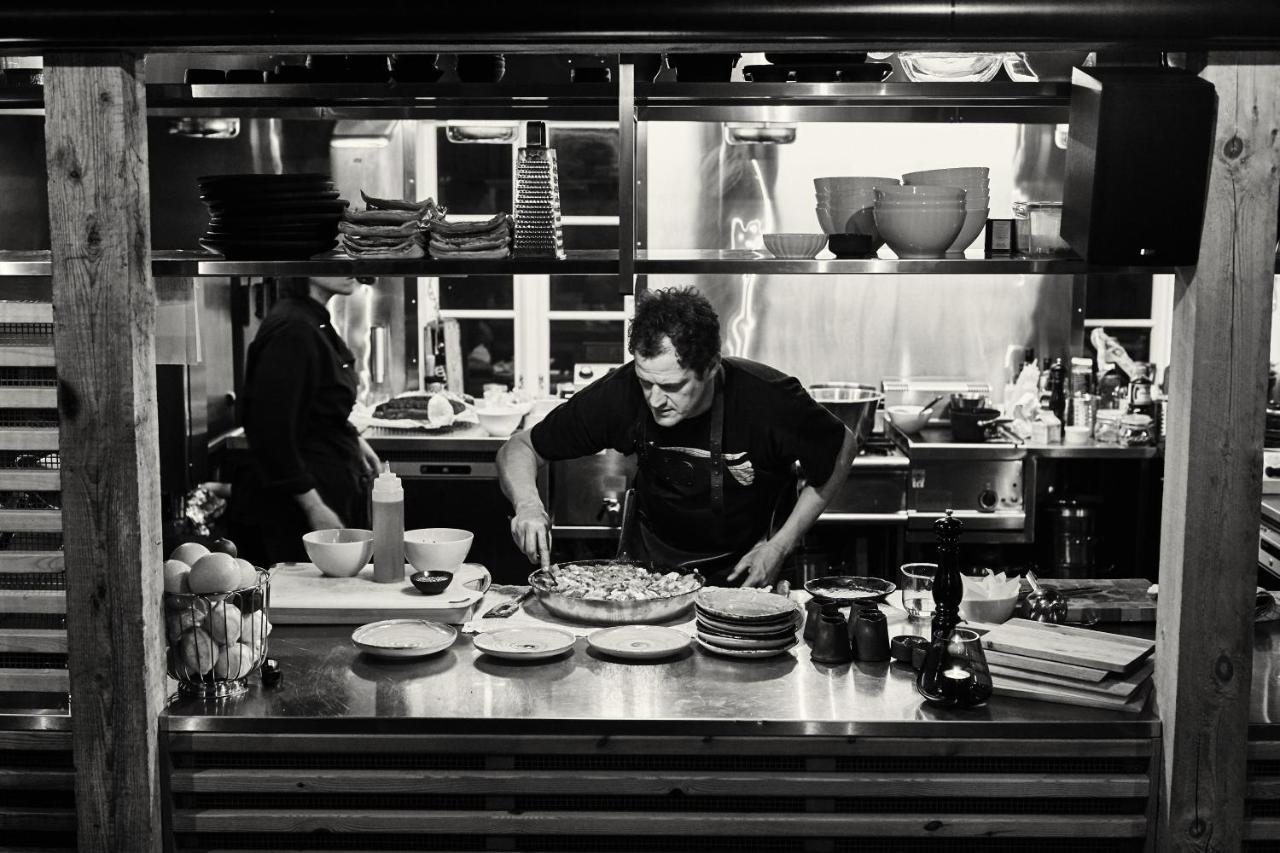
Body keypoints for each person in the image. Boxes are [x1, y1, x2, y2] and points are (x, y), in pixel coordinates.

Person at [497, 286, 859, 588]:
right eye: (645, 382)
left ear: (711, 367)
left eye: (672, 386)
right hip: (651, 576)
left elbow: (842, 445)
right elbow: (520, 447)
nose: (654, 399)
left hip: (751, 569)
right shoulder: (620, 395)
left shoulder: (766, 397)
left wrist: (781, 545)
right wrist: (528, 505)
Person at [228, 276, 381, 566]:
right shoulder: (293, 328)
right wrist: (314, 507)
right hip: (293, 517)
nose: (350, 266)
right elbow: (269, 430)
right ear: (304, 263)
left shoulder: (312, 319)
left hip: (322, 493)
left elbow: (315, 405)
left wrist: (351, 438)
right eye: (333, 254)